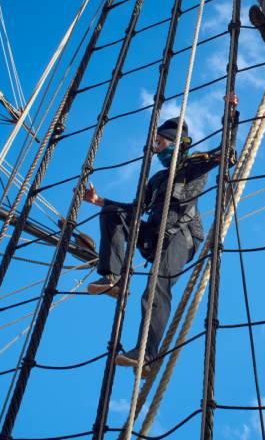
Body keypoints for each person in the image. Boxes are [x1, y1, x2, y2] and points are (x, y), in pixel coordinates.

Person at [82, 93, 239, 371]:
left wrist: (230, 114)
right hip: (154, 235)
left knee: (156, 286)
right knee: (112, 215)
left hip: (182, 235)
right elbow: (135, 208)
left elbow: (225, 150)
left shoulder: (193, 165)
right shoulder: (156, 179)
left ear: (174, 142)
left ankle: (147, 353)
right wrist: (100, 202)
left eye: (159, 142)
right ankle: (114, 279)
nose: (155, 148)